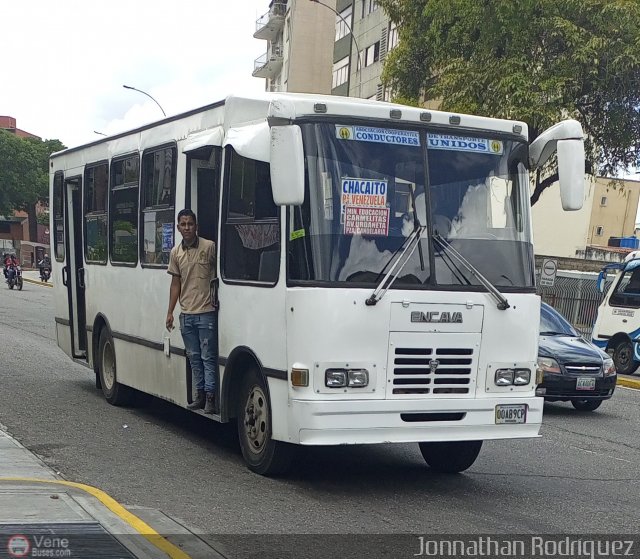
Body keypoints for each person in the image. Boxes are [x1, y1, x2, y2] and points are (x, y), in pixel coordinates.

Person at [166, 209, 219, 414]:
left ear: (196, 226)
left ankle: (211, 398)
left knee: (208, 357)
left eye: (190, 224)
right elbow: (175, 284)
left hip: (206, 312)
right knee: (194, 357)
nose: (187, 228)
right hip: (186, 314)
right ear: (178, 228)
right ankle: (200, 395)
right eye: (183, 224)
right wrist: (170, 312)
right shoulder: (175, 253)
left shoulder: (209, 247)